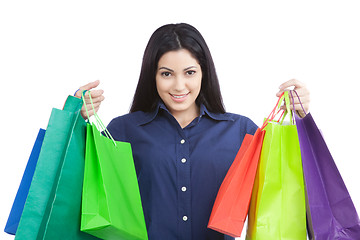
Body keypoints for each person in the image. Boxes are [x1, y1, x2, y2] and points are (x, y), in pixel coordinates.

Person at [75, 23, 310, 240]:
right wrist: (76, 122)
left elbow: (286, 185)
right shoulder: (122, 131)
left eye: (189, 72)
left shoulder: (241, 132)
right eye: (167, 74)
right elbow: (84, 194)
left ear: (203, 72)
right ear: (153, 76)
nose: (179, 86)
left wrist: (300, 120)